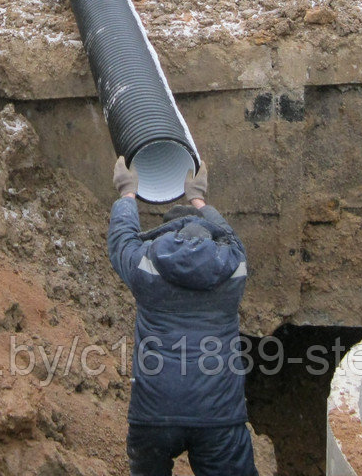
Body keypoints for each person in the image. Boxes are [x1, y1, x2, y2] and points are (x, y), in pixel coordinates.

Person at [108, 158, 258, 476]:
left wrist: (127, 193)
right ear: (209, 234)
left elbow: (122, 239)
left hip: (153, 416)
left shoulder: (145, 266)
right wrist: (198, 197)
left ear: (165, 232)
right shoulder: (234, 268)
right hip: (218, 418)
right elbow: (231, 238)